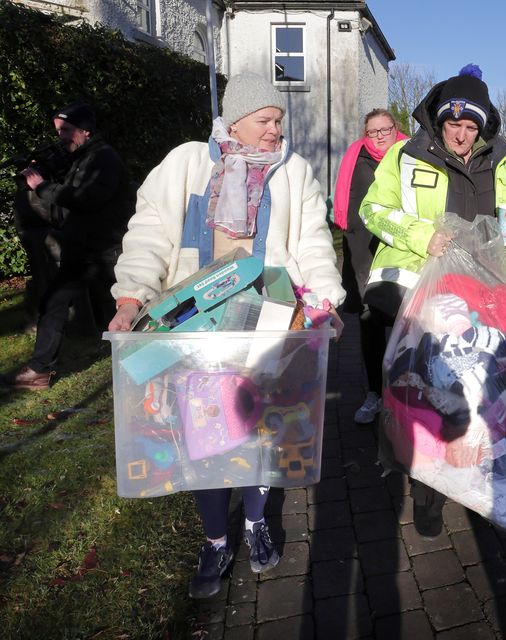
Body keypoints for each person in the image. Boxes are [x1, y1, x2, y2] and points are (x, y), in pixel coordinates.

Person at [107, 72, 345, 598]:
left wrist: (324, 299)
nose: (274, 131)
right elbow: (149, 235)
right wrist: (130, 298)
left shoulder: (293, 172)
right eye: (265, 119)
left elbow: (311, 240)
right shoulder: (186, 164)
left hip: (264, 326)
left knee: (258, 431)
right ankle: (217, 540)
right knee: (203, 439)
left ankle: (256, 522)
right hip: (192, 329)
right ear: (234, 119)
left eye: (279, 121)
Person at [359, 64, 506, 537]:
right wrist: (419, 235)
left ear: (483, 127)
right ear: (438, 119)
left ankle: (471, 483)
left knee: (475, 394)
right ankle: (428, 495)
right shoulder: (403, 155)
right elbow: (372, 209)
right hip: (418, 287)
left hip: (478, 291)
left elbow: (500, 225)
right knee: (428, 396)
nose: (461, 134)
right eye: (454, 124)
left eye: (471, 126)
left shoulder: (496, 161)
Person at [5, 103, 134, 390]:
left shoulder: (104, 159)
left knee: (127, 305)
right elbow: (71, 195)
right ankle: (40, 370)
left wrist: (41, 187)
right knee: (56, 303)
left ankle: (149, 360)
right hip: (85, 247)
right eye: (58, 131)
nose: (60, 137)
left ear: (85, 131)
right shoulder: (84, 156)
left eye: (65, 131)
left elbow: (86, 199)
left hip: (103, 247)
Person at [332, 109, 407, 424]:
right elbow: (346, 199)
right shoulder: (356, 155)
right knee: (370, 321)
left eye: (385, 129)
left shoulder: (411, 155)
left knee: (406, 324)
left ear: (395, 129)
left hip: (402, 246)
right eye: (372, 130)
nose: (379, 135)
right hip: (363, 247)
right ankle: (374, 394)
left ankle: (403, 397)